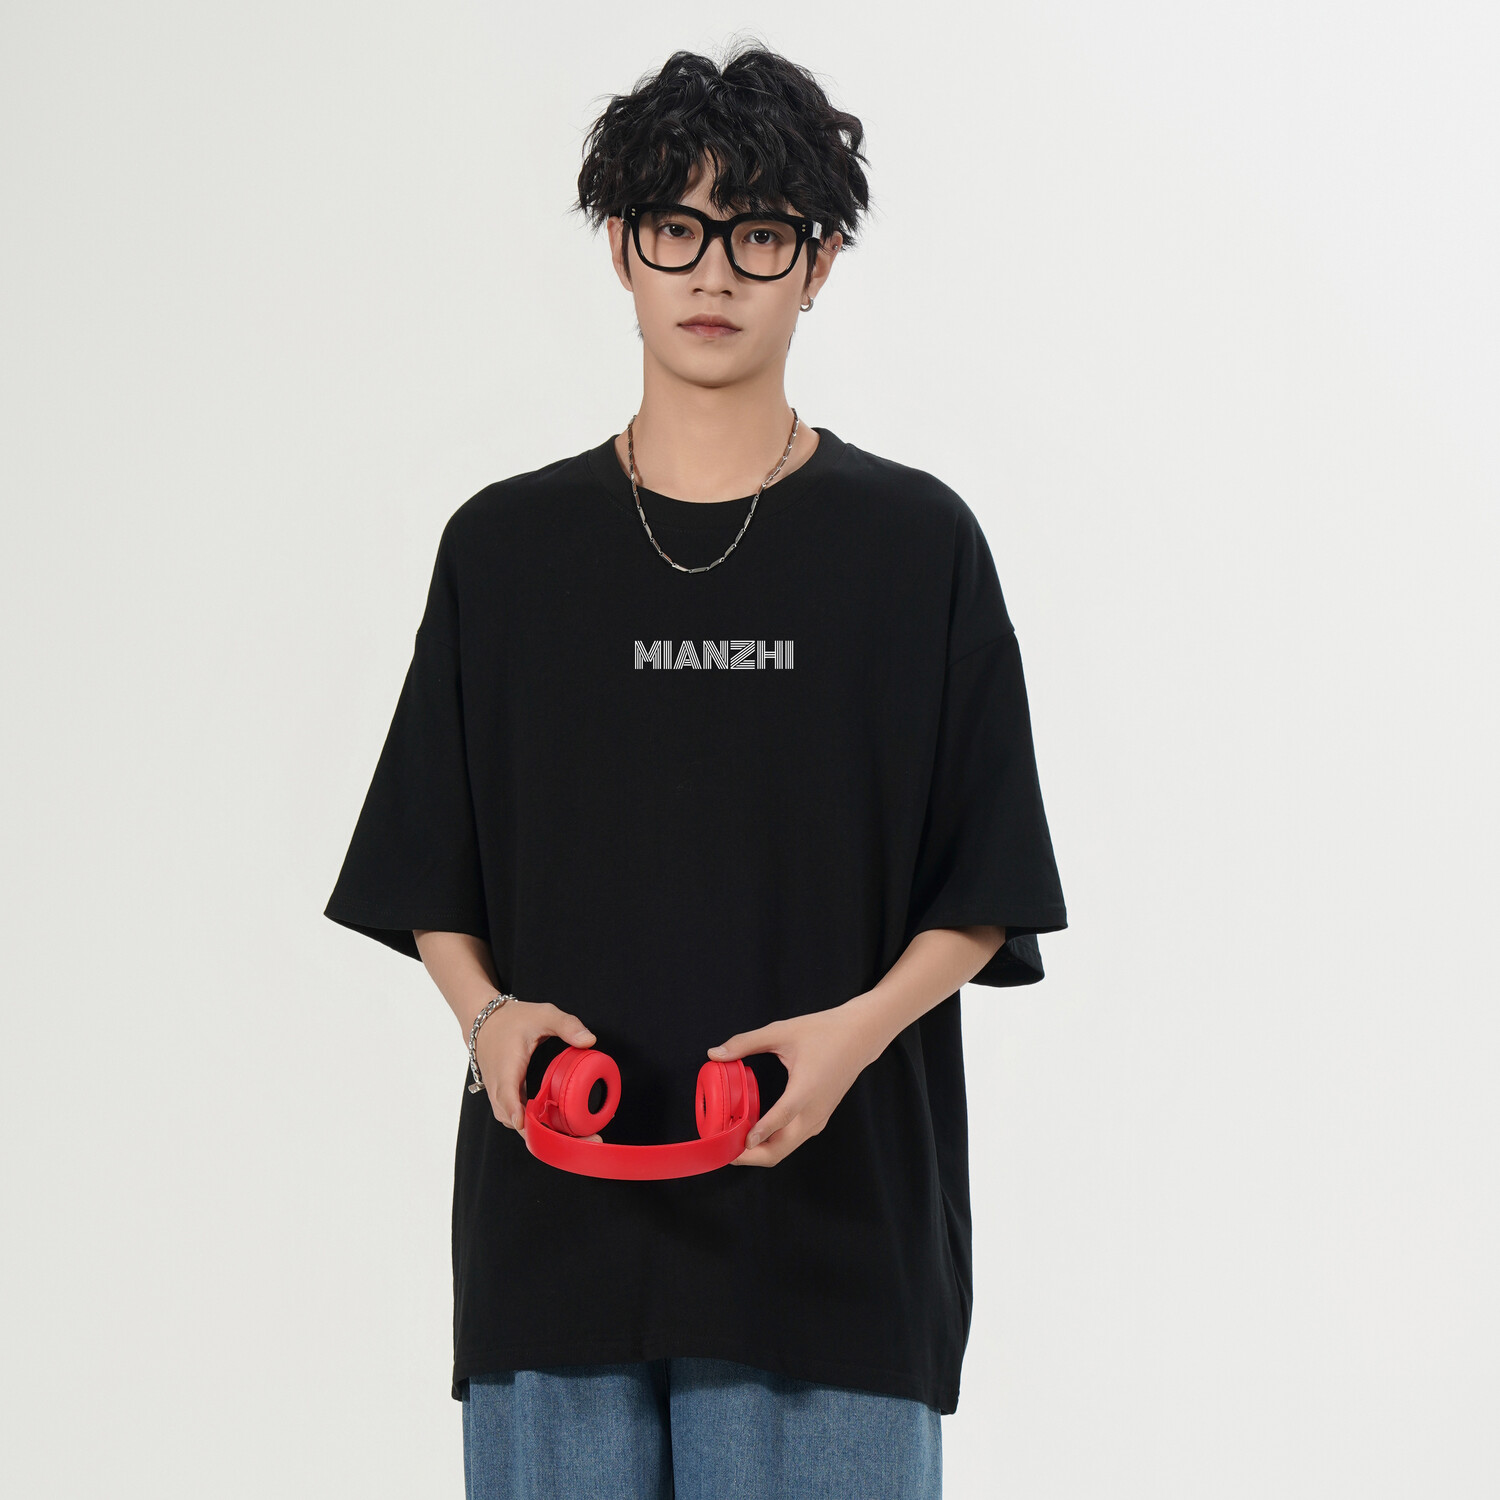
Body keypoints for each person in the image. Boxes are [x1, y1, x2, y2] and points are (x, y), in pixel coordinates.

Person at [324, 42, 1067, 1500]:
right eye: (676, 226)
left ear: (820, 264)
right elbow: (431, 862)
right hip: (556, 1234)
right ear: (621, 247)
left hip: (832, 1239)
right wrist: (488, 1023)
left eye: (760, 233)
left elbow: (984, 882)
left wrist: (855, 1036)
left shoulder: (916, 547)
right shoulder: (506, 550)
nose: (713, 272)